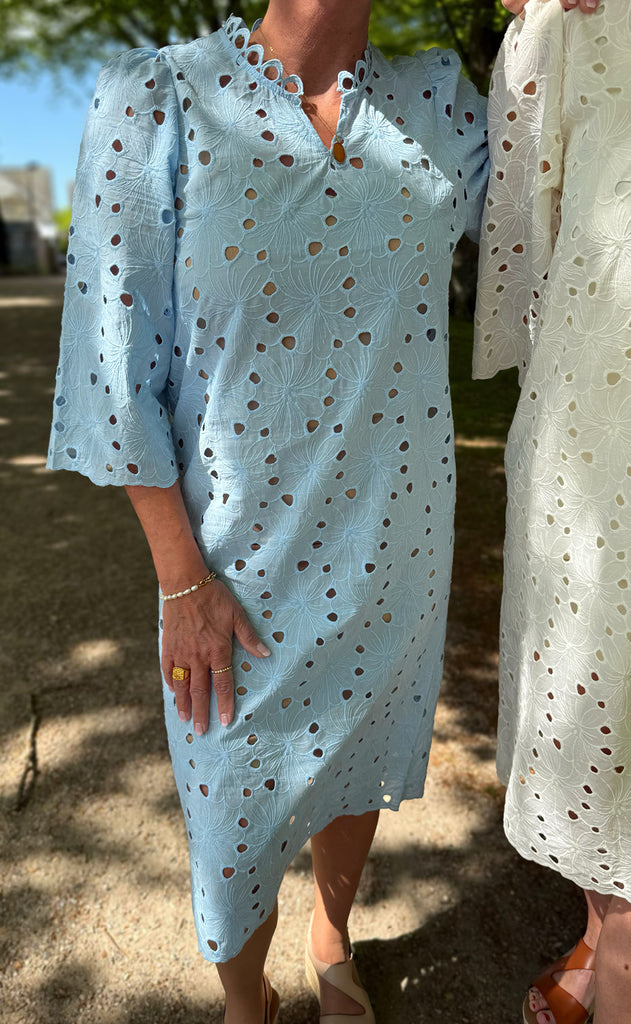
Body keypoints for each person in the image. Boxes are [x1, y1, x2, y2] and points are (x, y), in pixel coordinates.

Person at [47, 1, 594, 1021]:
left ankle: (331, 938)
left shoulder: (439, 101)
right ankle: (244, 1000)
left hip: (396, 540)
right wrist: (180, 580)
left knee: (355, 756)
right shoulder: (158, 99)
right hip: (231, 567)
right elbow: (112, 375)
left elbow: (561, 218)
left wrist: (560, 30)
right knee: (232, 808)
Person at [475, 1, 629, 1023]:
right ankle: (603, 935)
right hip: (595, 404)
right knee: (590, 676)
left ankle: (613, 952)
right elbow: (536, 215)